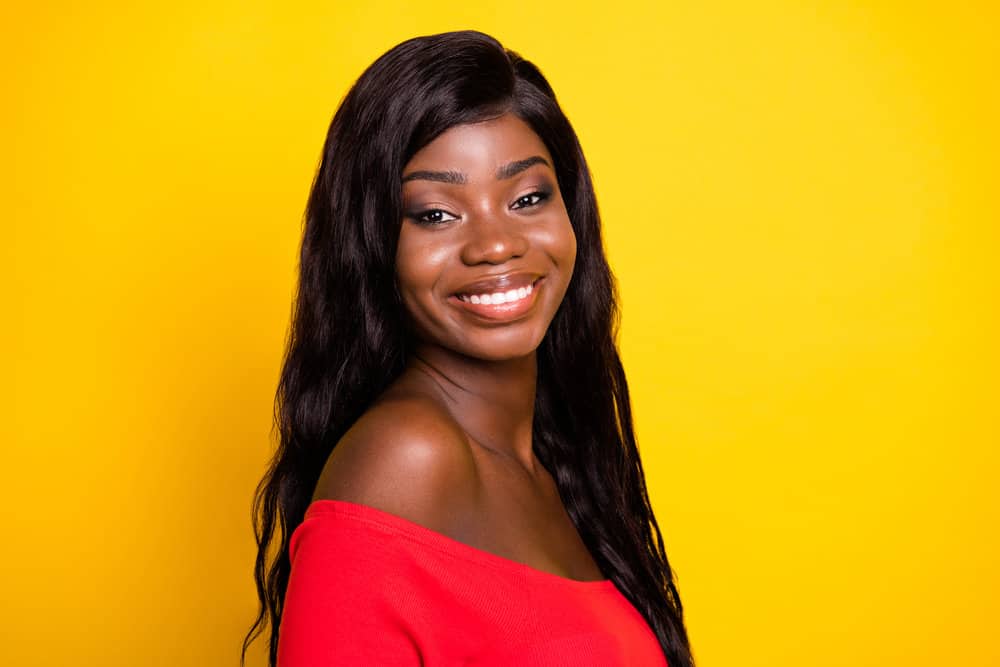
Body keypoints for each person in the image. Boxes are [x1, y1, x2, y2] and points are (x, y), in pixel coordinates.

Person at [243, 30, 694, 667]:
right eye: (435, 213)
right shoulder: (405, 460)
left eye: (528, 197)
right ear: (373, 242)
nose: (495, 244)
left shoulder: (552, 459)